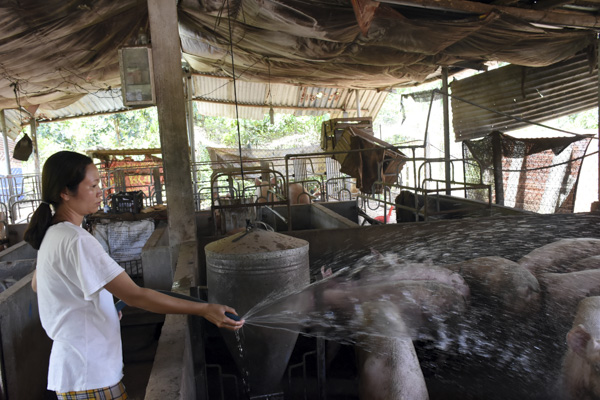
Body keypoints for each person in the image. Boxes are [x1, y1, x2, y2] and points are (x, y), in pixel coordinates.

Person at [25, 151, 244, 400]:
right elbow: (136, 296)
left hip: (76, 372)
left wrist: (103, 305)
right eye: (93, 185)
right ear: (65, 192)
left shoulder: (53, 234)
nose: (101, 191)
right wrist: (204, 310)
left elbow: (37, 285)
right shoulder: (77, 240)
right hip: (91, 373)